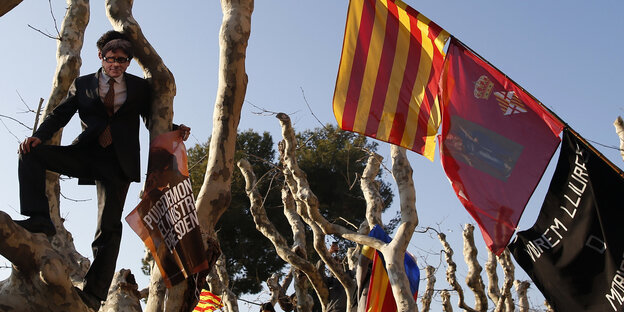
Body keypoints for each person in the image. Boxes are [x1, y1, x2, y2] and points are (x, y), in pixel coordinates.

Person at [14, 30, 190, 310]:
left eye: (122, 60)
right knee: (30, 155)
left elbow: (152, 119)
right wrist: (39, 136)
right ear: (101, 57)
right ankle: (39, 219)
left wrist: (174, 130)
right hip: (86, 153)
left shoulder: (139, 88)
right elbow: (60, 114)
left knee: (108, 228)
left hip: (118, 164)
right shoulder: (82, 84)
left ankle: (94, 293)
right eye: (111, 59)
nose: (116, 65)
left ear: (128, 62)